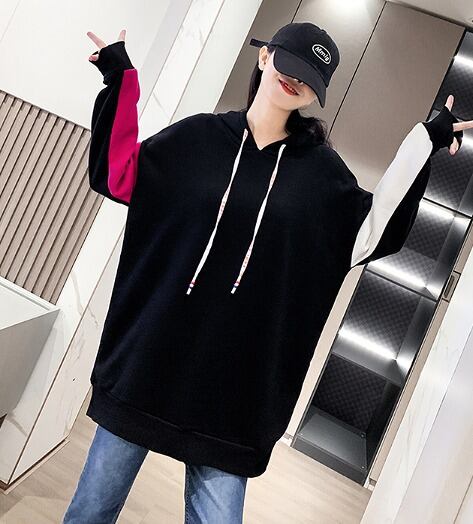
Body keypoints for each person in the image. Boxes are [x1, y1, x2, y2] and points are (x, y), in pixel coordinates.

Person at [63, 21, 469, 523]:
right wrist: (120, 79)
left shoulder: (323, 179)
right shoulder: (196, 138)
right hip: (147, 367)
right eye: (290, 65)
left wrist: (424, 142)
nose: (294, 81)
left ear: (316, 94)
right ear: (264, 57)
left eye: (309, 78)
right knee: (91, 510)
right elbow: (118, 173)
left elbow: (373, 232)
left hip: (236, 395)